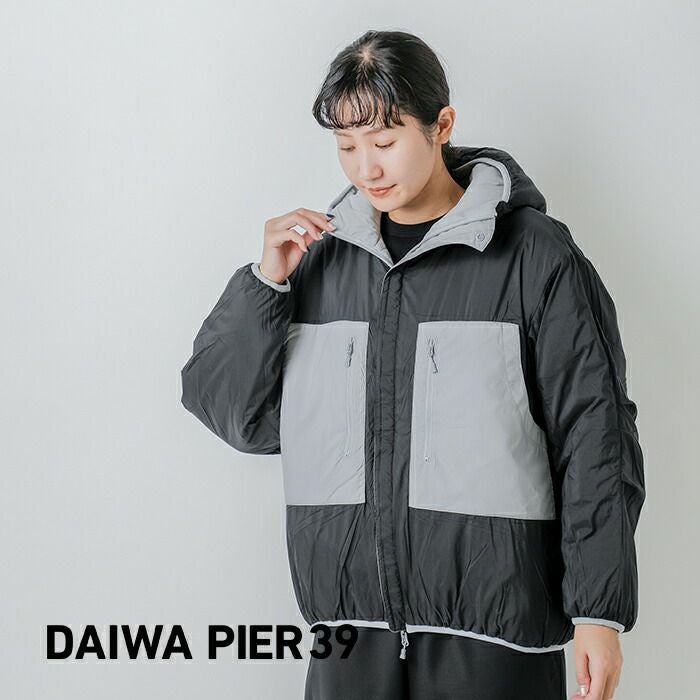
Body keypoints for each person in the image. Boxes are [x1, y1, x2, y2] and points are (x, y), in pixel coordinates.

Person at [180, 29, 645, 700]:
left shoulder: (533, 258)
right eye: (347, 146)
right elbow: (241, 420)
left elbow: (594, 435)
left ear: (442, 125)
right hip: (349, 638)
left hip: (494, 642)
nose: (366, 168)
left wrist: (598, 611)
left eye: (384, 140)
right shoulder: (321, 263)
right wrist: (266, 284)